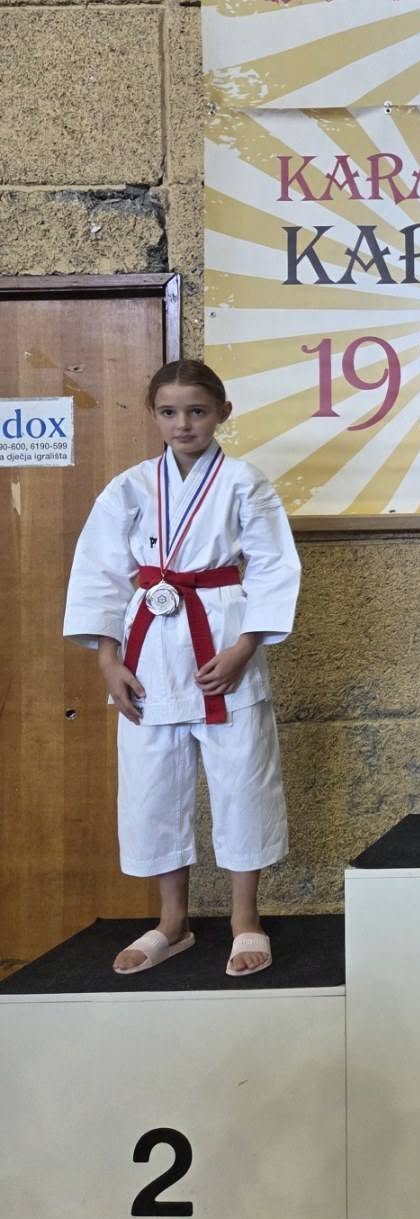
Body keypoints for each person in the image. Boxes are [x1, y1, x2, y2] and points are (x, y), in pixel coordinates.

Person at [63, 360, 301, 976]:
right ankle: (173, 923)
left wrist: (246, 645)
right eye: (169, 412)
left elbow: (273, 567)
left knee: (242, 780)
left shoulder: (244, 482)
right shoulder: (130, 487)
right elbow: (100, 573)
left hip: (223, 641)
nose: (183, 423)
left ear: (222, 412)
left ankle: (245, 919)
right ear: (153, 415)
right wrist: (108, 659)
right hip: (148, 650)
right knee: (152, 786)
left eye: (197, 410)